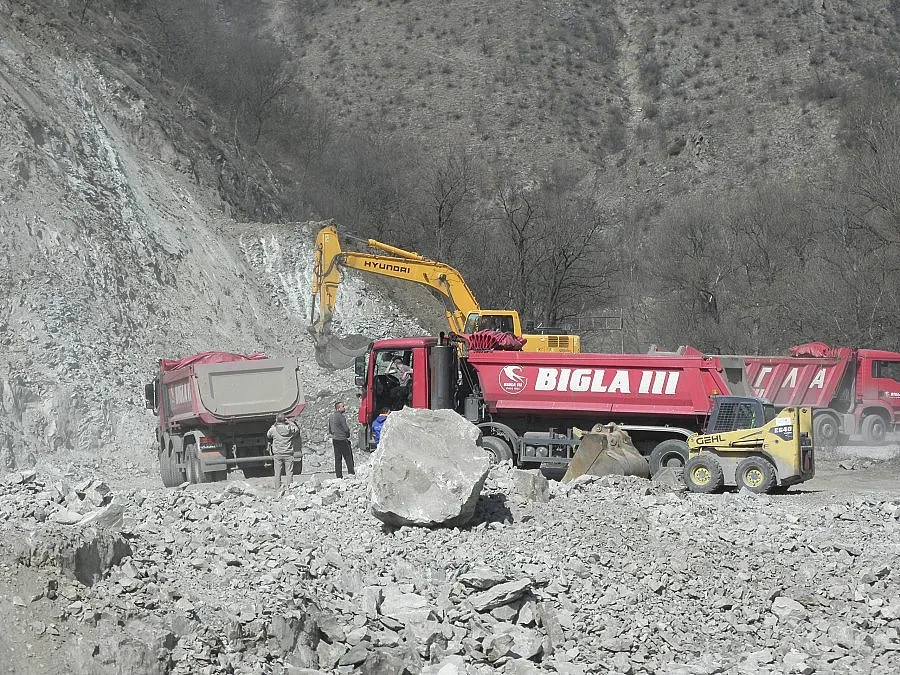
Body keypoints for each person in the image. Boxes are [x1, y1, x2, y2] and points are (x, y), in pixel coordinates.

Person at [267, 413, 302, 491]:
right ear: (284, 420)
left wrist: (274, 424)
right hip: (288, 453)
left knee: (277, 473)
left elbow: (268, 435)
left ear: (276, 420)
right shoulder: (290, 428)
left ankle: (277, 489)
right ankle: (290, 488)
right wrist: (290, 422)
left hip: (278, 454)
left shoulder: (273, 429)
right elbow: (297, 430)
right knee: (289, 472)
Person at [327, 401, 355, 478]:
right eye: (342, 406)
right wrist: (347, 434)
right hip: (342, 439)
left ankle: (339, 476)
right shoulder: (341, 417)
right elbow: (346, 429)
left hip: (335, 439)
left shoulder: (331, 417)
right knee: (348, 457)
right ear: (338, 408)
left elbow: (330, 430)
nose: (344, 407)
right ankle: (351, 473)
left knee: (338, 458)